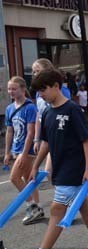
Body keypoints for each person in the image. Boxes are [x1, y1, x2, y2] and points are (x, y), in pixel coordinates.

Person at [16, 69, 88, 249]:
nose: (40, 94)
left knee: (57, 209)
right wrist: (36, 166)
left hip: (74, 168)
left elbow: (86, 140)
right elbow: (46, 143)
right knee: (82, 203)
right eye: (38, 91)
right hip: (59, 169)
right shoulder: (48, 113)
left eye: (43, 90)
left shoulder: (72, 110)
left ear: (56, 86)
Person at [4, 76, 44, 225]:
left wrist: (24, 153)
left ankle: (31, 205)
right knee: (29, 180)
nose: (11, 91)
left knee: (14, 178)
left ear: (22, 89)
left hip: (26, 150)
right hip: (16, 148)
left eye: (14, 88)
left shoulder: (29, 107)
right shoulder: (9, 109)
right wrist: (8, 152)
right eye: (9, 89)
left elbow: (30, 132)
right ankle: (38, 207)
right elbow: (9, 131)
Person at [32, 59, 72, 187]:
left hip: (59, 127)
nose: (35, 74)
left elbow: (66, 110)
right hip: (46, 125)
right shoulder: (39, 94)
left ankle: (48, 173)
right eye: (33, 72)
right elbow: (39, 115)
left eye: (37, 71)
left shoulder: (60, 90)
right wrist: (36, 138)